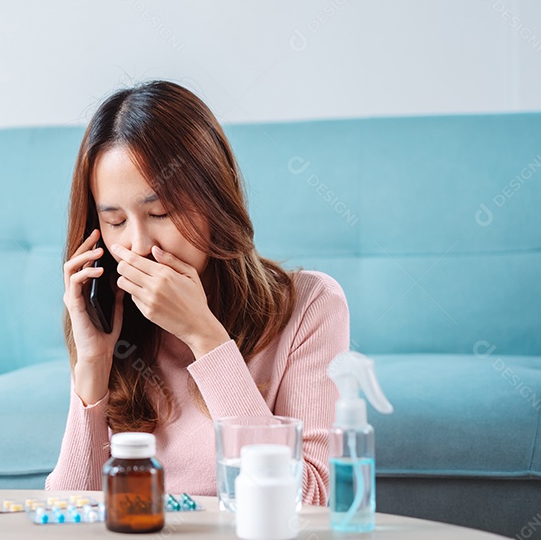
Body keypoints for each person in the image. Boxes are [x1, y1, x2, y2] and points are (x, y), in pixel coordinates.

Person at [45, 80, 350, 505]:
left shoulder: (310, 304)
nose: (136, 245)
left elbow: (313, 501)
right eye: (115, 222)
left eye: (160, 213)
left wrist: (206, 339)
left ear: (214, 199)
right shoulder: (115, 325)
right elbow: (72, 511)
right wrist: (93, 364)